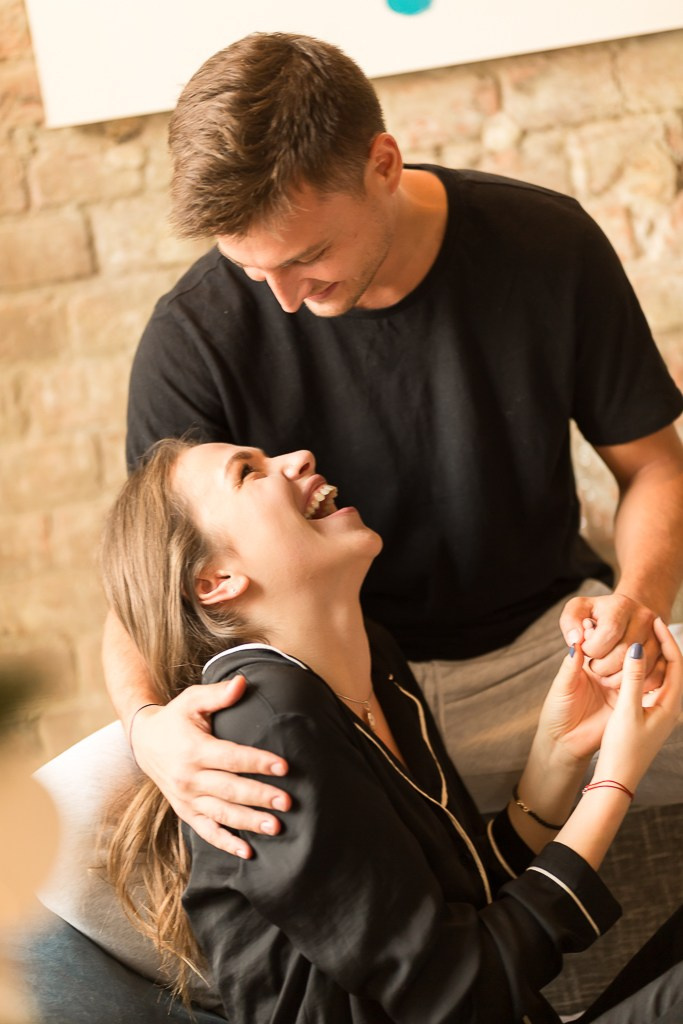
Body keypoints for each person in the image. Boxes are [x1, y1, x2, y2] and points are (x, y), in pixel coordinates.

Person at [105, 31, 683, 860]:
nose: (285, 301)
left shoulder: (546, 245)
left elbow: (652, 464)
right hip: (329, 706)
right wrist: (147, 727)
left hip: (544, 654)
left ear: (382, 163)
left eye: (307, 258)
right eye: (252, 271)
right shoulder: (193, 334)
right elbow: (146, 585)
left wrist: (638, 603)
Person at [99, 436, 683, 1024]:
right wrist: (615, 777)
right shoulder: (263, 726)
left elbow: (467, 901)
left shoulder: (372, 662)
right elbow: (459, 994)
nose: (298, 457)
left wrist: (563, 748)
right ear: (216, 579)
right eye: (247, 473)